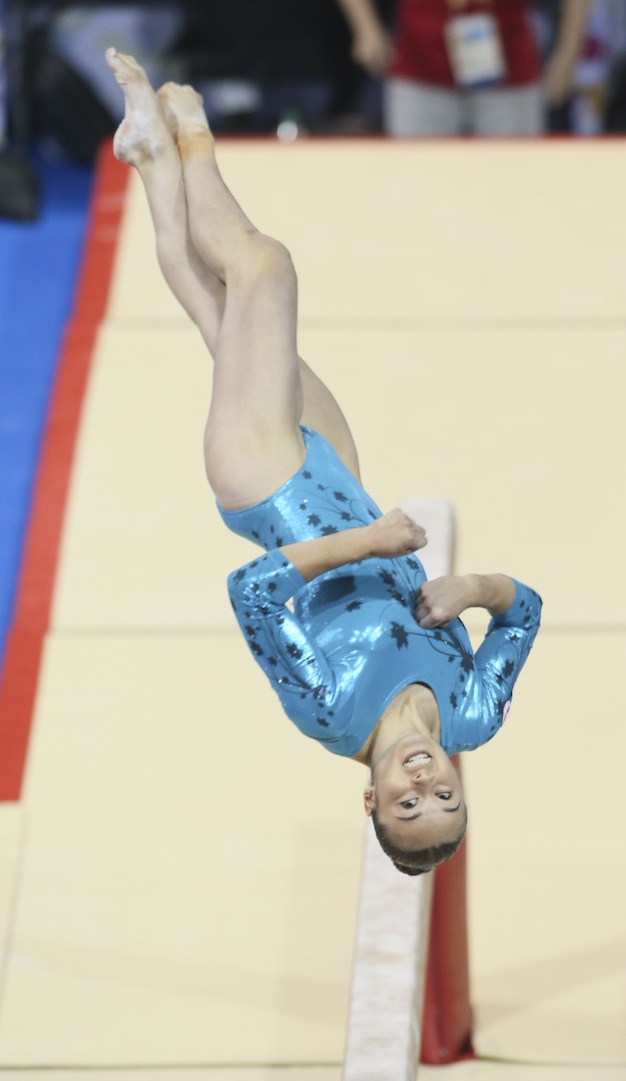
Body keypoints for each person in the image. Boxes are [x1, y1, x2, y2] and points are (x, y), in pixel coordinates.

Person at [105, 48, 542, 873]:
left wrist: (369, 545)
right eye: (442, 796)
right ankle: (151, 158)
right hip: (336, 473)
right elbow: (525, 612)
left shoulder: (331, 713)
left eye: (406, 804)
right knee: (218, 308)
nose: (424, 783)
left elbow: (254, 591)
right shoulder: (475, 712)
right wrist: (478, 589)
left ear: (369, 798)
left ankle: (189, 136)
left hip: (263, 480)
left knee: (263, 273)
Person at [335, 0, 593, 136]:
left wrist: (568, 53)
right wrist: (365, 26)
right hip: (420, 65)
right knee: (418, 184)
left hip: (508, 67)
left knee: (513, 183)